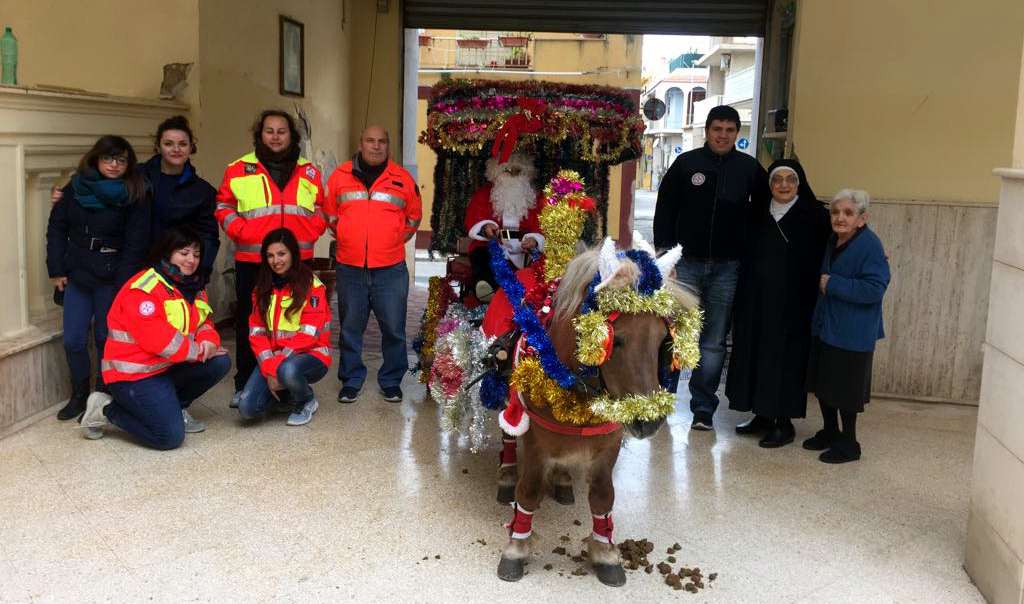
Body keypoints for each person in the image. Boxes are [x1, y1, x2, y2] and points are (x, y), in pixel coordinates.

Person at [652, 105, 768, 431]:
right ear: (707, 131)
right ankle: (662, 403)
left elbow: (761, 216)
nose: (723, 135)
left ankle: (703, 409)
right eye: (717, 129)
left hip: (727, 268)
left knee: (714, 341)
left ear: (737, 134)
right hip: (684, 265)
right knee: (675, 334)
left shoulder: (749, 170)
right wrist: (665, 255)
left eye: (730, 130)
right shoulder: (686, 164)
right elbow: (665, 209)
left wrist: (750, 256)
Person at [79, 227, 231, 448]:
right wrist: (199, 351)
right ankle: (105, 410)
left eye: (196, 254)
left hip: (166, 367)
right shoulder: (144, 288)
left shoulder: (194, 286)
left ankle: (176, 406)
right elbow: (160, 340)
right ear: (168, 252)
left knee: (219, 362)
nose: (191, 260)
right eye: (184, 253)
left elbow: (204, 321)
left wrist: (208, 341)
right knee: (169, 437)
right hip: (133, 375)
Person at [215, 110, 327, 407]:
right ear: (259, 134)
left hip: (299, 261)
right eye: (269, 131)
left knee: (293, 320)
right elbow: (224, 206)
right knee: (250, 323)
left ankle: (288, 381)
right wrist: (241, 231)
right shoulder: (238, 168)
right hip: (252, 260)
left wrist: (312, 230)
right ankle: (245, 383)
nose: (275, 136)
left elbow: (323, 210)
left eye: (282, 131)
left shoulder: (310, 172)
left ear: (292, 136)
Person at [726, 159, 831, 447]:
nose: (783, 185)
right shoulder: (755, 212)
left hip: (793, 303)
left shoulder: (815, 215)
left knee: (784, 359)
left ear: (799, 184)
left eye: (790, 179)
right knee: (755, 353)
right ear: (769, 184)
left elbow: (834, 249)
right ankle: (761, 414)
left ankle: (782, 422)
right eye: (777, 179)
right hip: (755, 300)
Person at [46, 135, 151, 421]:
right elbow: (57, 228)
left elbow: (136, 242)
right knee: (74, 340)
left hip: (114, 275)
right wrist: (56, 270)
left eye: (121, 160)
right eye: (108, 158)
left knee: (106, 338)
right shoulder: (75, 187)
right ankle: (79, 394)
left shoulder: (135, 191)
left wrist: (123, 281)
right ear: (95, 159)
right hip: (77, 272)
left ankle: (100, 397)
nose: (114, 165)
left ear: (128, 164)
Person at [324, 125, 422, 404]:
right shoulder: (340, 176)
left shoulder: (401, 179)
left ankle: (391, 381)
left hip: (390, 269)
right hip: (350, 266)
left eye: (382, 141)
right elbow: (329, 213)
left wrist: (390, 241)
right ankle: (351, 380)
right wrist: (347, 235)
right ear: (360, 143)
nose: (376, 146)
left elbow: (413, 218)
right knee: (350, 327)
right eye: (370, 141)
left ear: (388, 146)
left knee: (393, 327)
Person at [804, 189, 890, 464]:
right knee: (825, 384)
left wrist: (833, 284)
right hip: (827, 326)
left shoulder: (870, 246)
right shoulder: (834, 239)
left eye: (848, 213)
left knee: (846, 390)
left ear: (862, 219)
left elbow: (875, 288)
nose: (840, 218)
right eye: (836, 212)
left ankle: (850, 443)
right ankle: (830, 431)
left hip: (853, 332)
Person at [238, 229, 330, 426]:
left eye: (281, 254)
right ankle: (286, 395)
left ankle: (306, 400)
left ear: (293, 254)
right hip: (275, 358)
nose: (275, 261)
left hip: (311, 355)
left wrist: (275, 367)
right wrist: (270, 366)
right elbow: (256, 332)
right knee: (247, 409)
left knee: (287, 371)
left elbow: (309, 334)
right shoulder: (262, 288)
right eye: (270, 255)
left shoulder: (312, 286)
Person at [464, 153, 545, 301]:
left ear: (527, 173)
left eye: (517, 171)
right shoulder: (485, 194)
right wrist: (485, 226)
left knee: (539, 265)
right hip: (494, 245)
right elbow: (475, 215)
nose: (512, 175)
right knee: (481, 256)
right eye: (507, 171)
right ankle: (486, 288)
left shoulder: (535, 198)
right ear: (496, 172)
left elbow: (542, 223)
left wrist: (535, 239)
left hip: (524, 250)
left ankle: (530, 297)